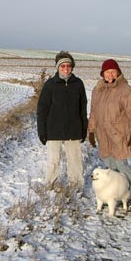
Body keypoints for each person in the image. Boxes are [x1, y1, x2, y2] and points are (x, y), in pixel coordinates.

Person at [88, 58, 131, 208]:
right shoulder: (97, 90)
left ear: (118, 73)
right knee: (110, 168)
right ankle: (115, 195)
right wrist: (91, 131)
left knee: (122, 166)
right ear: (103, 74)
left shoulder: (126, 90)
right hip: (103, 136)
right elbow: (93, 112)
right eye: (107, 72)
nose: (110, 75)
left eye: (113, 71)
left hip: (119, 136)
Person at [36, 50, 88, 190]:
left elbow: (83, 107)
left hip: (74, 130)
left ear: (72, 67)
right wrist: (42, 131)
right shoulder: (50, 85)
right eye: (63, 66)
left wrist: (84, 128)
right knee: (53, 161)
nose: (66, 69)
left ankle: (76, 187)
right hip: (54, 130)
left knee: (75, 161)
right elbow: (42, 110)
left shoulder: (78, 84)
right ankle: (50, 187)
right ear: (58, 67)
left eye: (68, 66)